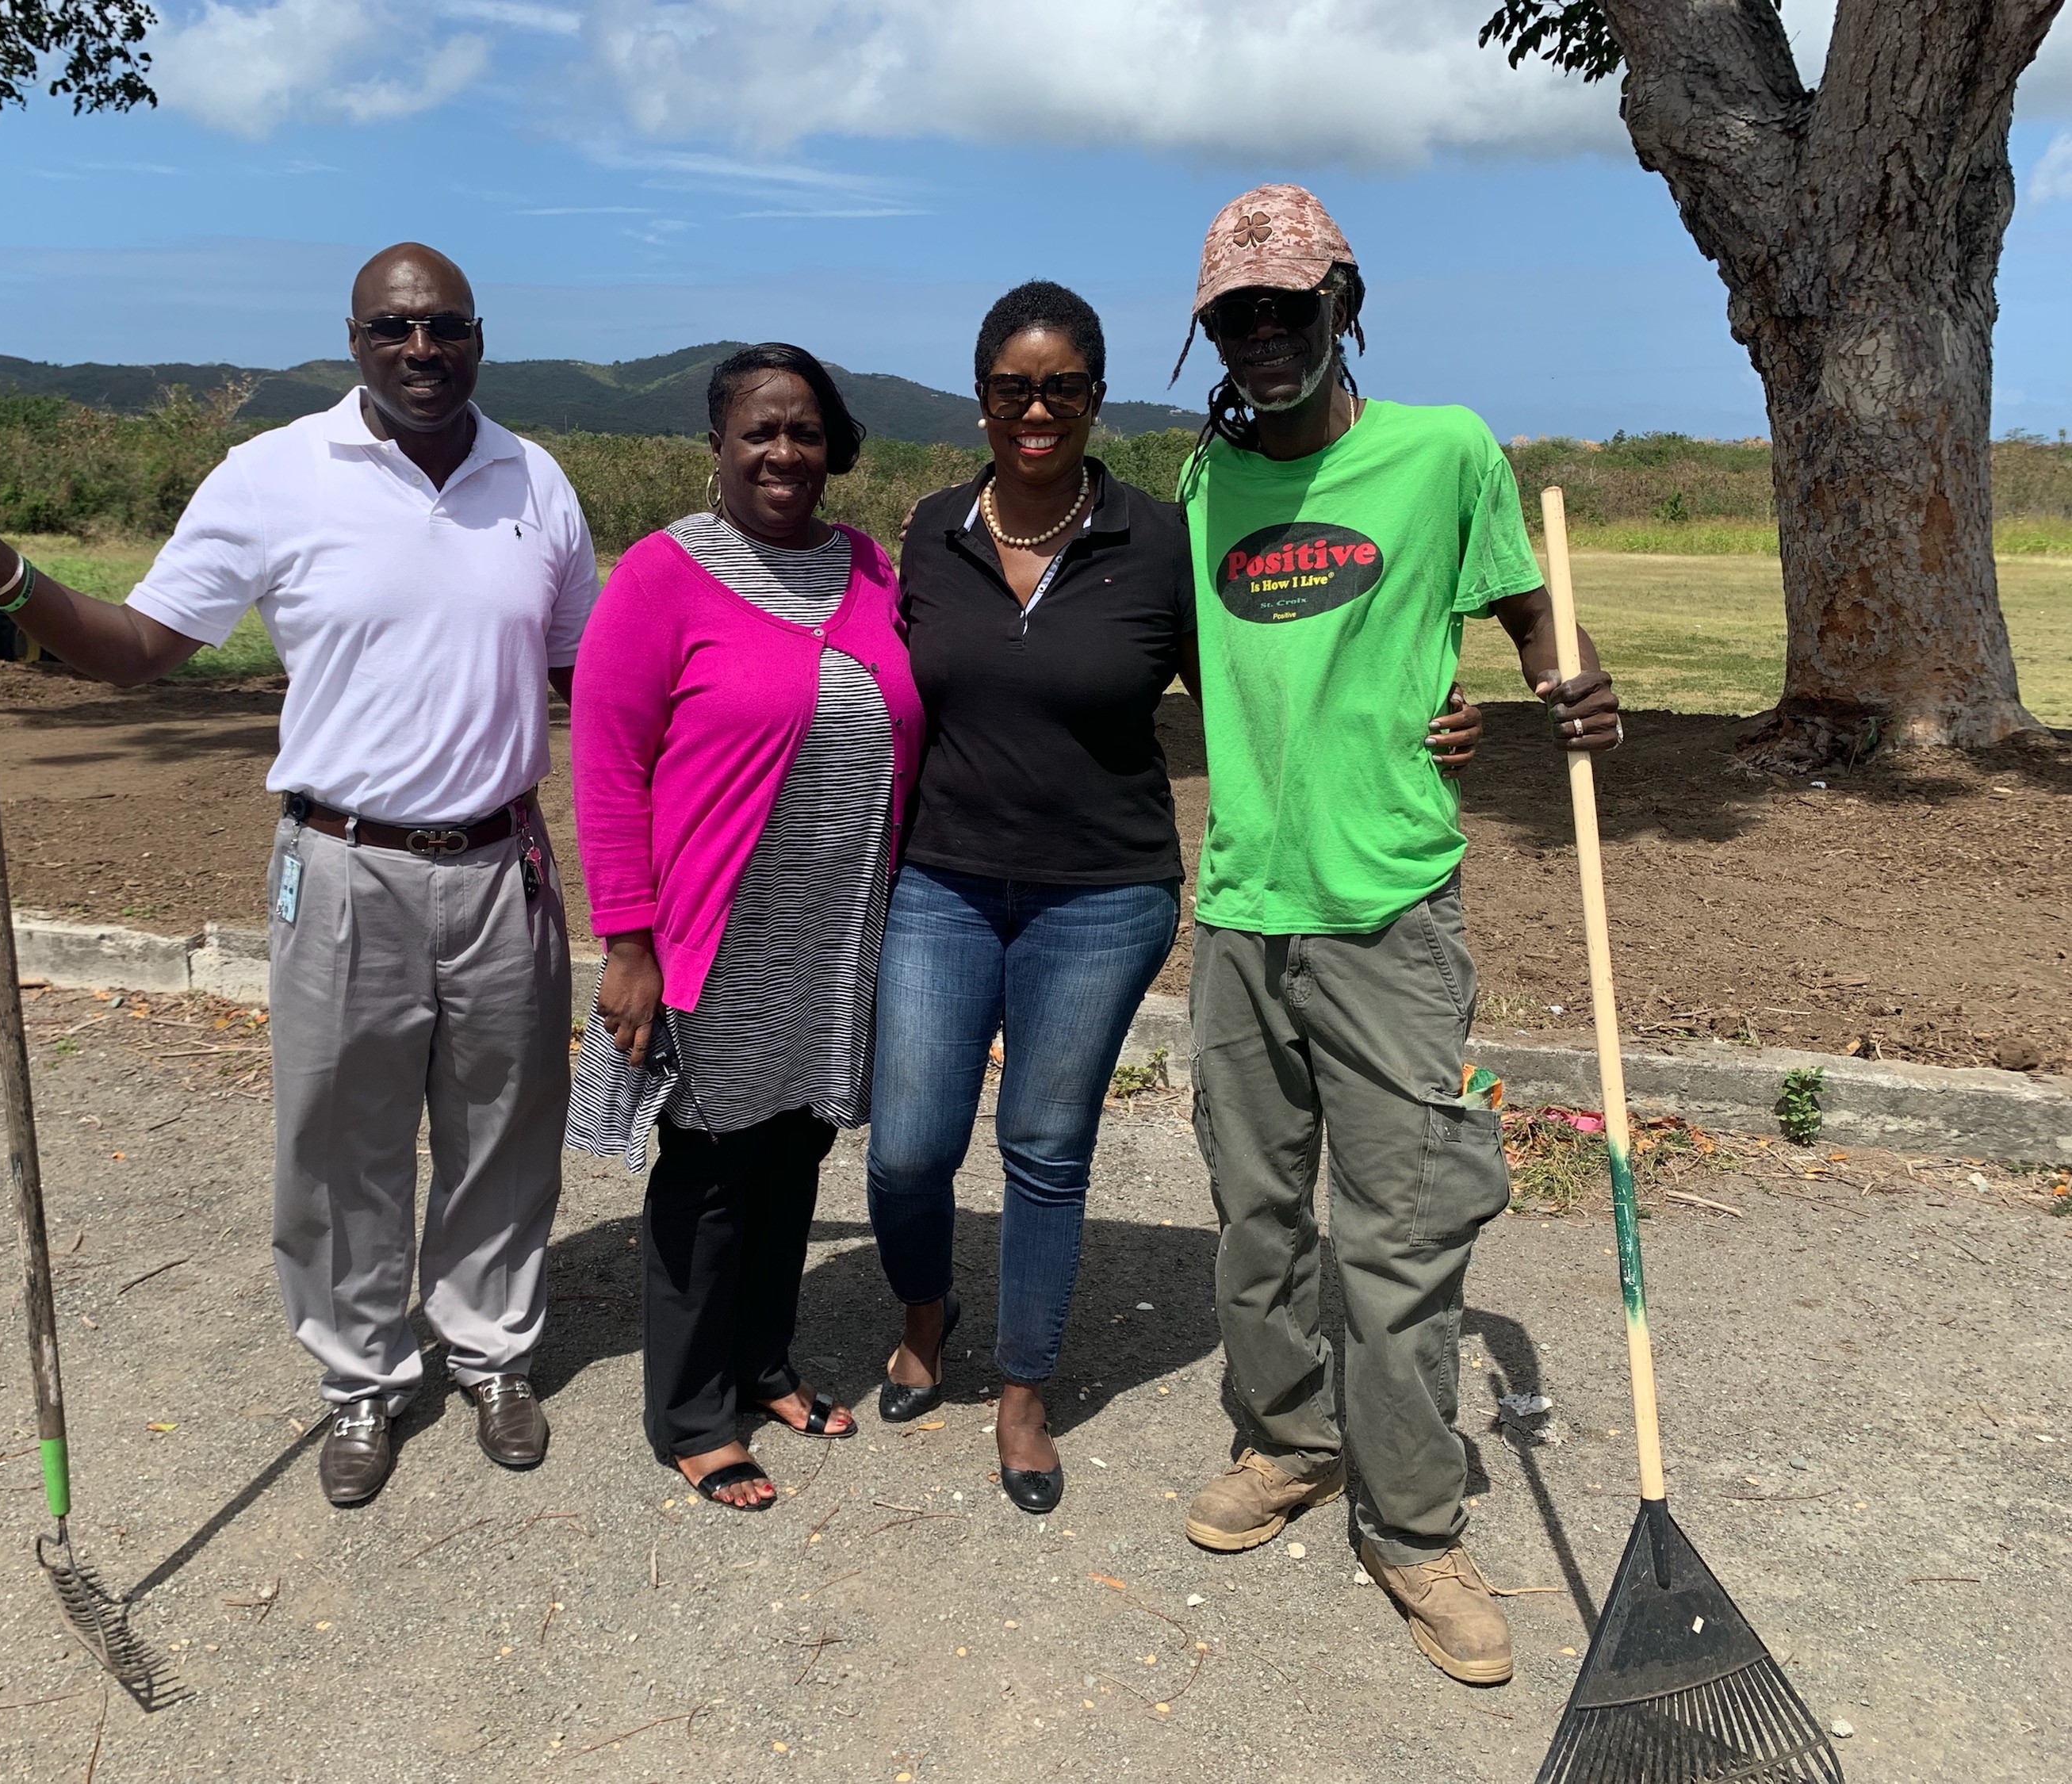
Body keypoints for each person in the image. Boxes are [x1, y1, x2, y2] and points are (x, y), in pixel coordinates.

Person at [0, 243, 596, 1508]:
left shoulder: (536, 482)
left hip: (505, 866)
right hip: (342, 863)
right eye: (395, 330)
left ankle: (492, 1350)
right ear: (354, 343)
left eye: (444, 327)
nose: (421, 350)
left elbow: (578, 678)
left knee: (507, 1127)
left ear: (480, 337)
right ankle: (363, 1380)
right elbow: (139, 649)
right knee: (337, 1142)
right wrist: (1, 567)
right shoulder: (272, 477)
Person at [867, 282, 1482, 1515]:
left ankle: (1025, 1390)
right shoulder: (929, 528)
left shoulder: (1161, 533)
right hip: (941, 881)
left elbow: (1261, 670)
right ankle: (925, 1313)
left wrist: (1411, 713)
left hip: (1100, 892)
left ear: (1097, 398)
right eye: (1011, 389)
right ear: (980, 397)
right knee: (908, 1145)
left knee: (1045, 1147)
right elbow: (880, 684)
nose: (1036, 410)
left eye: (1064, 389)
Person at [1169, 185, 1621, 1686]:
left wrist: (1571, 687)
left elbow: (1527, 617)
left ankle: (1417, 1528)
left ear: (1344, 304)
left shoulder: (1443, 453)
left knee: (1404, 1229)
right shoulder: (1199, 491)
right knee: (1255, 1218)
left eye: (1288, 310)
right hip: (1239, 910)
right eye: (1236, 319)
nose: (1263, 340)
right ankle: (1289, 1440)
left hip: (1391, 912)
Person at [568, 344, 925, 1510]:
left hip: (834, 935)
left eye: (807, 431)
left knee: (793, 1157)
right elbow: (609, 764)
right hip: (714, 934)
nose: (785, 451)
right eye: (760, 431)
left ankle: (765, 1362)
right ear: (718, 447)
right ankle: (692, 1408)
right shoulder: (664, 575)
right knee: (712, 1173)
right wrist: (627, 940)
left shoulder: (865, 566)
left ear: (836, 447)